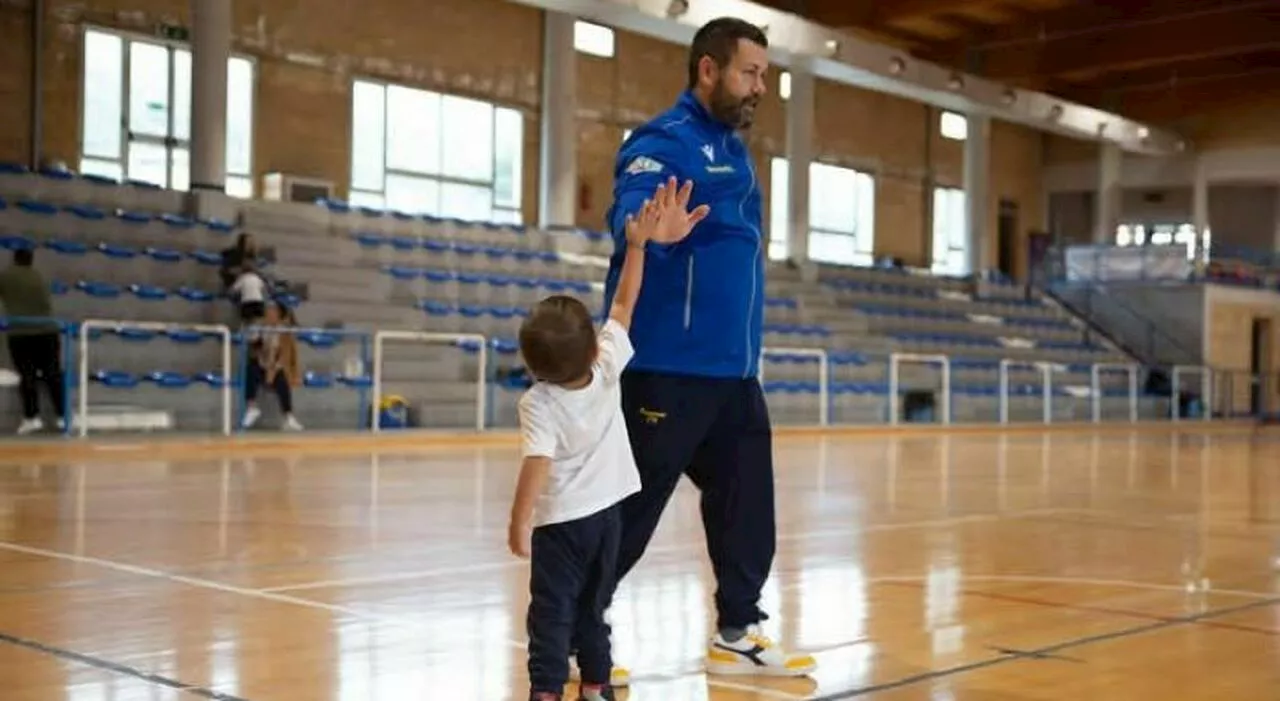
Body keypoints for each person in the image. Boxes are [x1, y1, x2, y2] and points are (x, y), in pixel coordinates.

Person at [595, 16, 816, 679]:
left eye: (766, 77)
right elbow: (630, 208)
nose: (760, 88)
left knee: (748, 500)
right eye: (750, 73)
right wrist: (643, 227)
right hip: (667, 369)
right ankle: (579, 630)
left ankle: (738, 629)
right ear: (709, 70)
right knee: (631, 508)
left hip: (732, 374)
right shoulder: (665, 140)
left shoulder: (734, 149)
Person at [508, 180, 708, 701]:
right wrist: (637, 245)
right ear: (590, 347)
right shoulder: (608, 366)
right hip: (610, 519)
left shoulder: (539, 403)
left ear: (534, 366)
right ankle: (596, 687)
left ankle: (547, 691)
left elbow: (536, 464)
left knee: (551, 613)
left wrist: (519, 520)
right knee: (593, 609)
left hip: (561, 528)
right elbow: (624, 301)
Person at [0, 248, 66, 435]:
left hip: (22, 332)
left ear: (15, 260)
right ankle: (62, 416)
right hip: (48, 330)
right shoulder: (39, 277)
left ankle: (31, 417)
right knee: (52, 375)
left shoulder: (7, 275)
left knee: (27, 375)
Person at [241, 300, 303, 431]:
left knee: (283, 382)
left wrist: (273, 370)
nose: (269, 314)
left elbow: (286, 355)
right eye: (268, 311)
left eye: (273, 311)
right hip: (262, 364)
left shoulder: (285, 332)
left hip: (277, 367)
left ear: (279, 314)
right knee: (251, 370)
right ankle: (252, 407)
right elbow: (253, 349)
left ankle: (288, 417)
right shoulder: (259, 328)